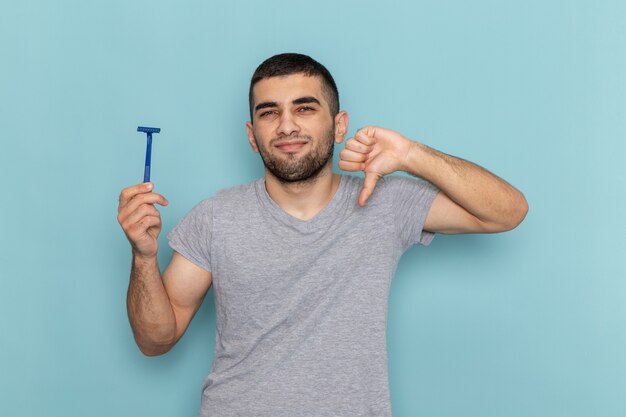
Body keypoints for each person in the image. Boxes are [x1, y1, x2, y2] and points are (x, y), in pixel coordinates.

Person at [117, 53, 528, 417]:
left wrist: (411, 155)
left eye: (305, 107)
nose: (287, 125)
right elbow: (157, 339)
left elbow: (507, 212)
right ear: (251, 135)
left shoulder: (384, 201)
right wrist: (143, 257)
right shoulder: (216, 217)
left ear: (339, 125)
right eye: (269, 112)